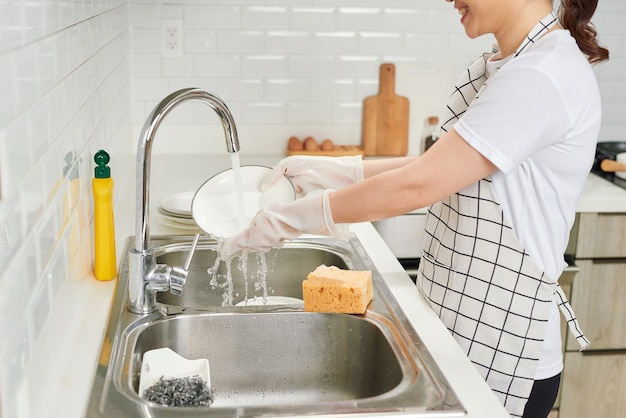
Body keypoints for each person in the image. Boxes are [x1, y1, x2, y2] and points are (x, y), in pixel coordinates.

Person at [222, 0, 609, 416]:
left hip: (501, 344)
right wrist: (339, 171)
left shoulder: (542, 74)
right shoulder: (512, 63)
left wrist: (294, 218)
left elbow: (421, 184)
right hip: (463, 326)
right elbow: (445, 165)